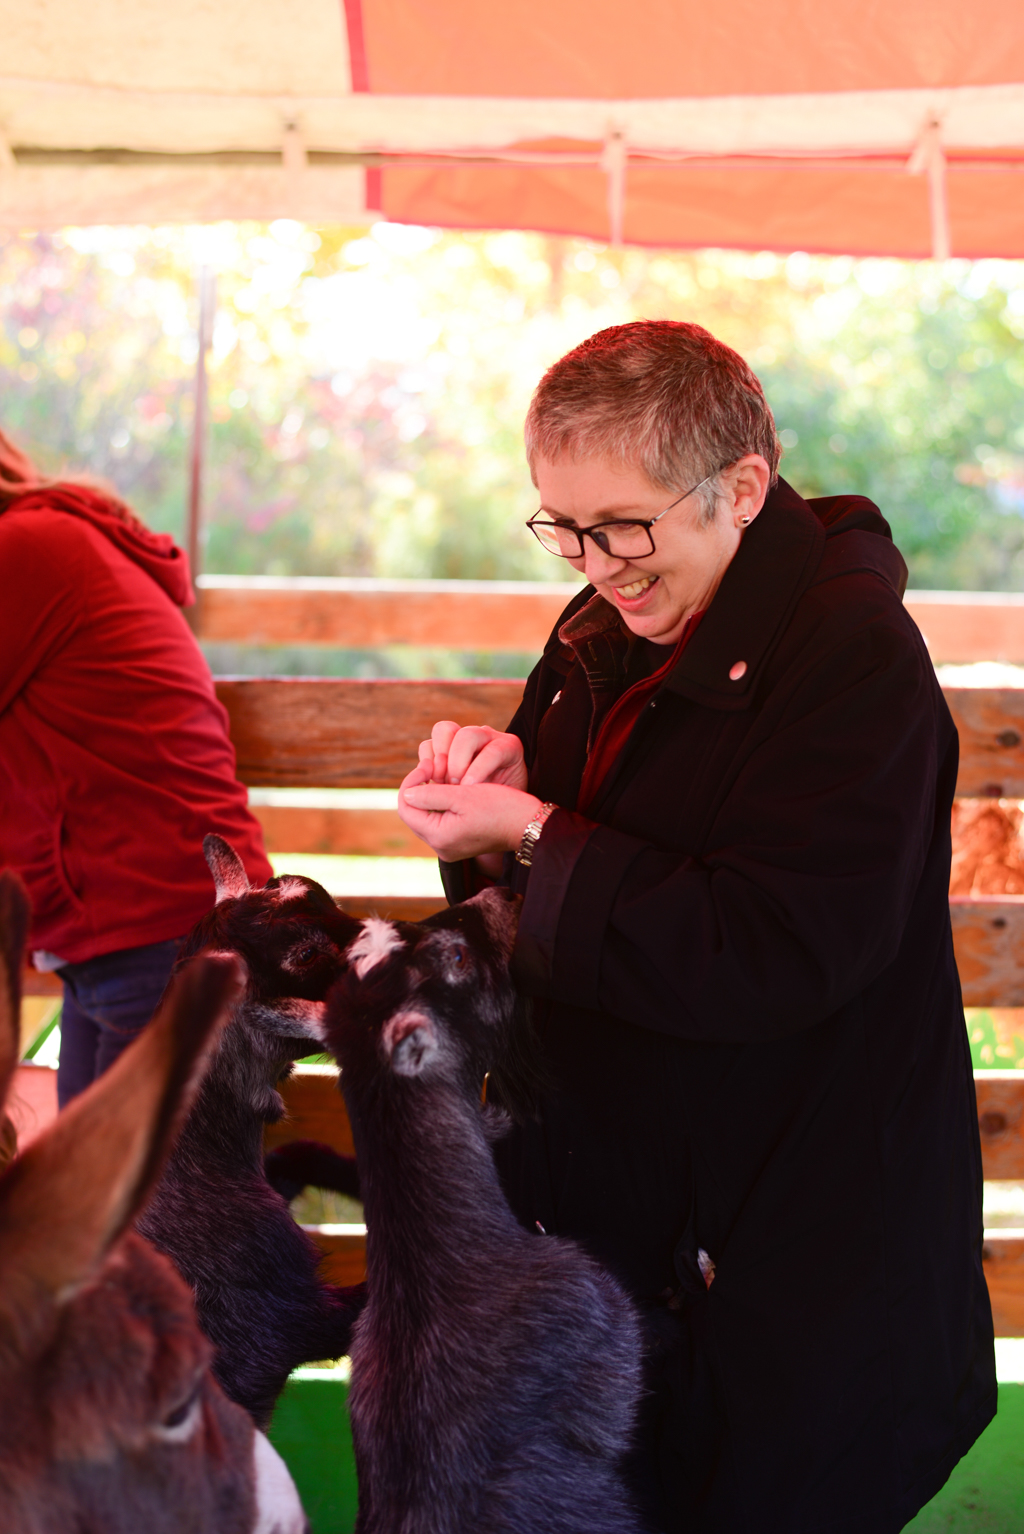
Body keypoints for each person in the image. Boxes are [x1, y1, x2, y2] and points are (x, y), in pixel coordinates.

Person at [396, 322, 994, 1533]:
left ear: (743, 487)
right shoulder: (608, 620)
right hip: (631, 1257)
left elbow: (773, 947)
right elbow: (564, 874)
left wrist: (534, 834)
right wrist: (493, 812)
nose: (592, 559)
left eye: (619, 524)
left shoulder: (853, 661)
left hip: (792, 1267)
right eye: (558, 524)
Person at [0, 428, 271, 1105]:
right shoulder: (49, 538)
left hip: (164, 931)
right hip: (139, 932)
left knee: (143, 1209)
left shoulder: (26, 551)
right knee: (94, 1206)